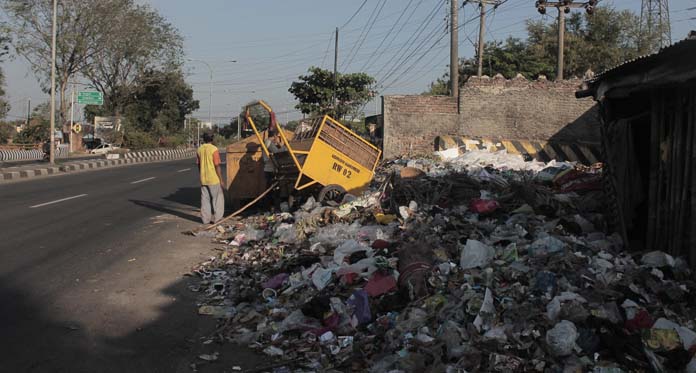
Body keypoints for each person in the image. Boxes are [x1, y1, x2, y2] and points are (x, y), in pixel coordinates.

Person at [197, 133, 224, 224]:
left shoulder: (199, 149)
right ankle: (218, 219)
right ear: (212, 139)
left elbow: (199, 164)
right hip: (213, 178)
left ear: (204, 139)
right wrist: (221, 180)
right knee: (217, 199)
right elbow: (217, 165)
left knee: (205, 200)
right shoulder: (214, 149)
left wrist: (201, 174)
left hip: (203, 178)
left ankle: (205, 220)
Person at [262, 130, 285, 208]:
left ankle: (268, 207)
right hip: (270, 169)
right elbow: (278, 152)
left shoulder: (266, 142)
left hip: (267, 169)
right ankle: (275, 207)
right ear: (275, 136)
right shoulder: (268, 143)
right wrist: (282, 145)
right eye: (278, 137)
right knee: (275, 190)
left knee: (269, 189)